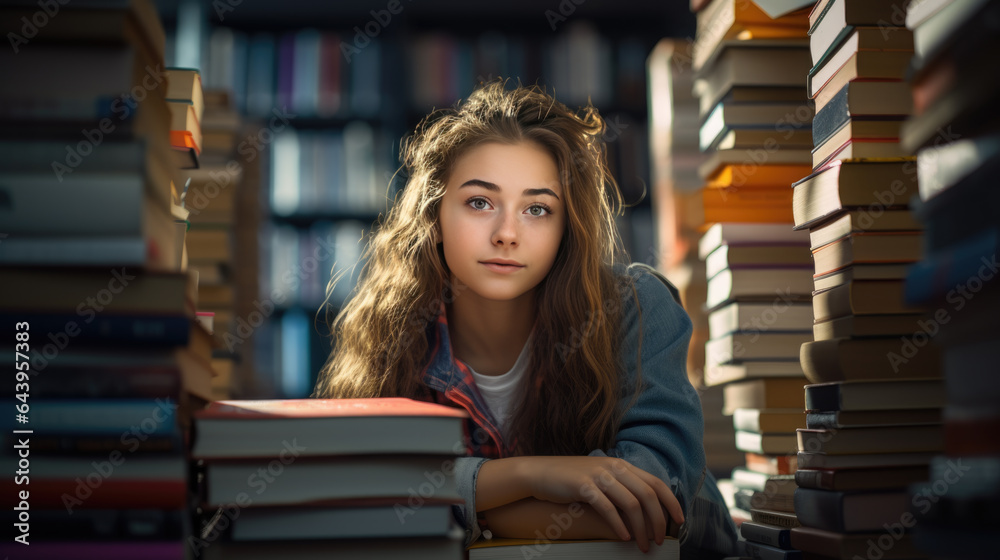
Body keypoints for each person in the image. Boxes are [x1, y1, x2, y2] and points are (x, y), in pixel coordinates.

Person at [312, 80, 738, 558]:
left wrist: (463, 505)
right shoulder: (394, 329)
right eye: (479, 202)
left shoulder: (635, 306)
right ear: (433, 218)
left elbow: (652, 501)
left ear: (566, 228)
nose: (507, 234)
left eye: (537, 209)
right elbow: (354, 487)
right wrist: (531, 474)